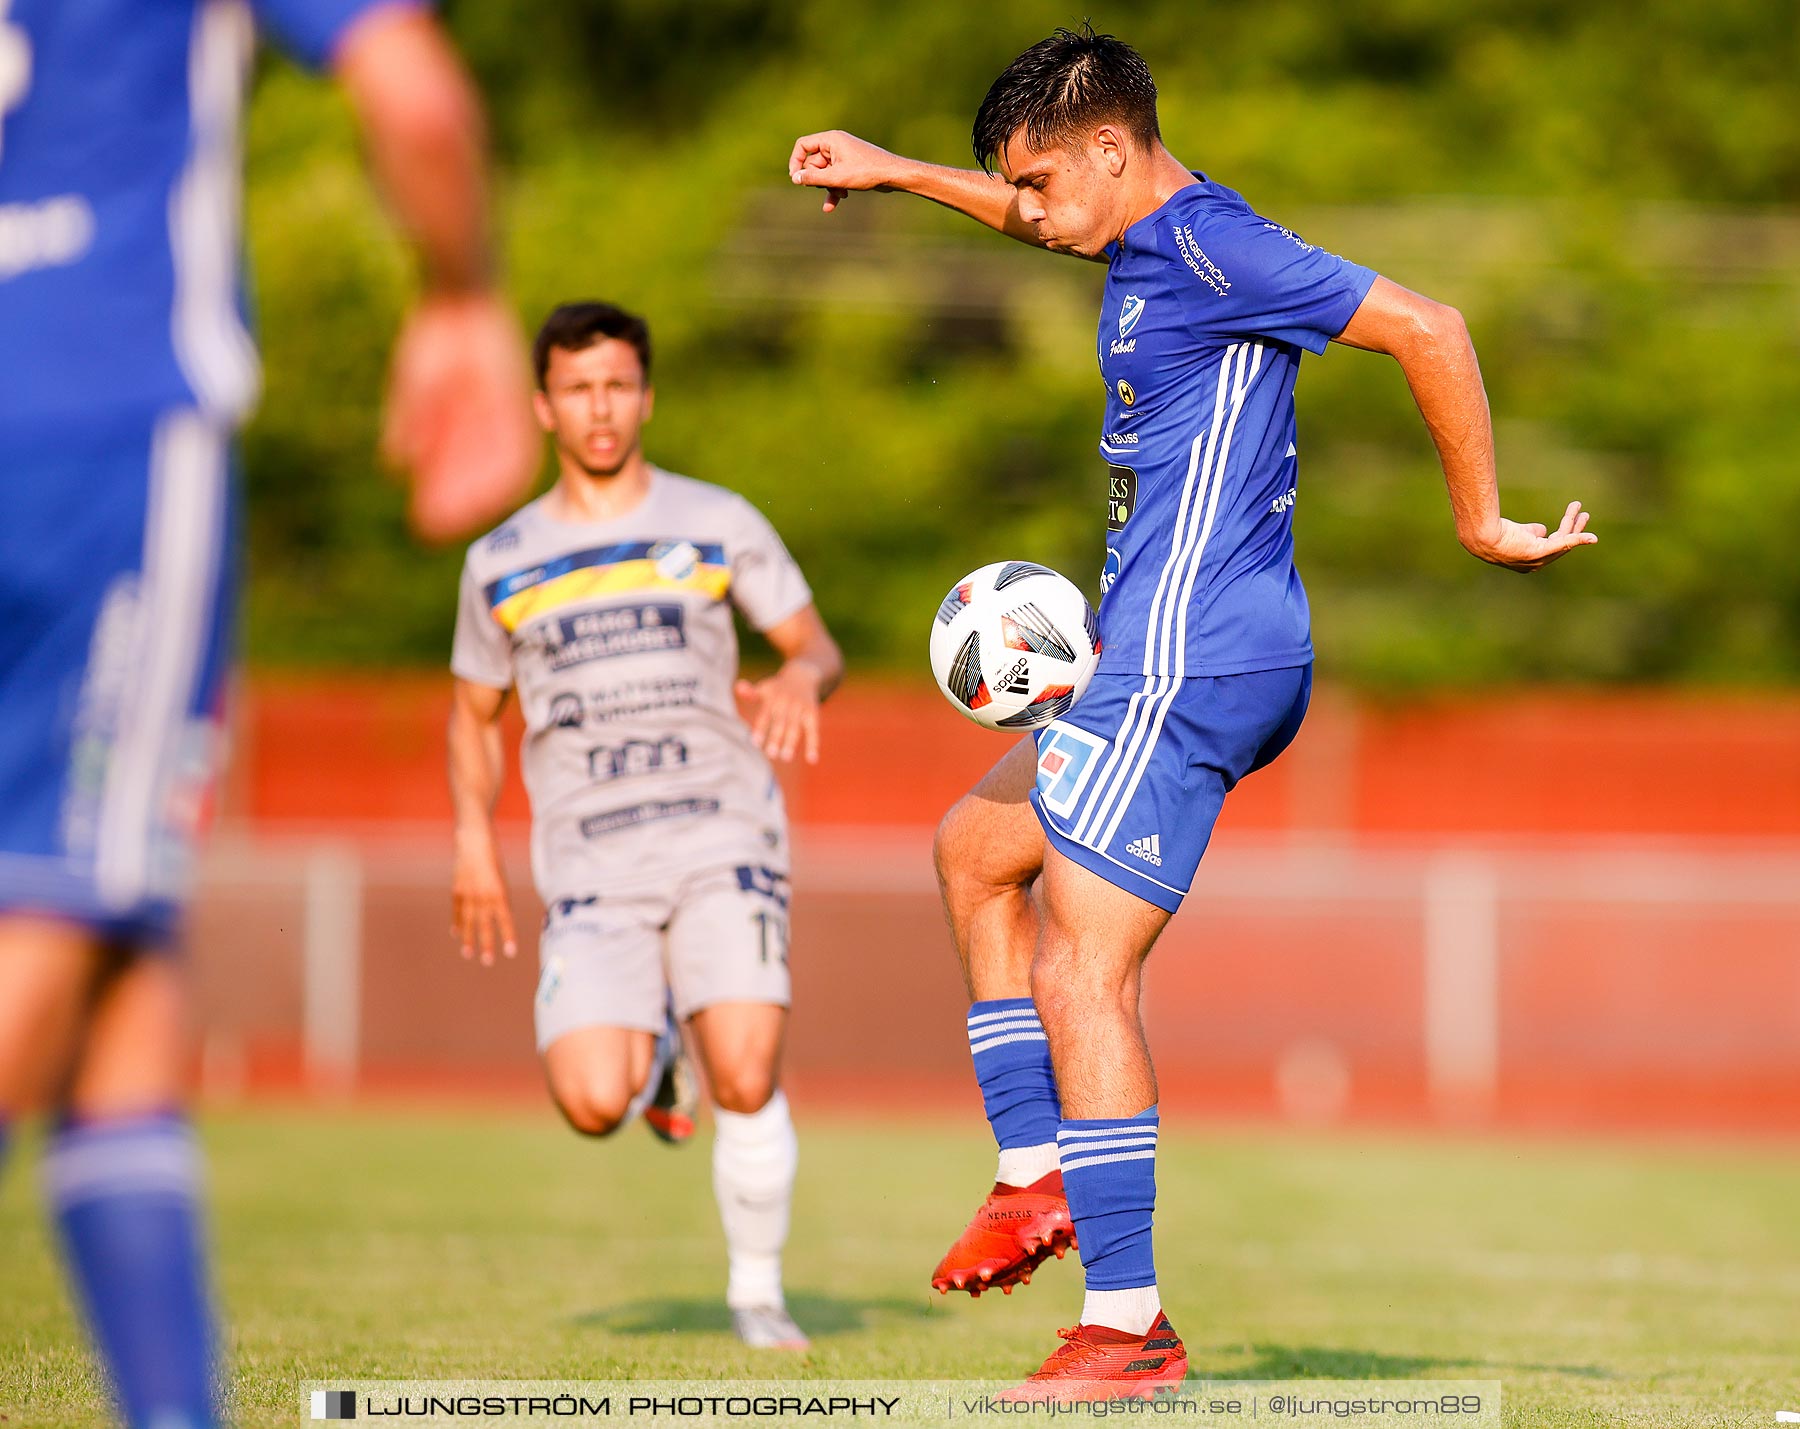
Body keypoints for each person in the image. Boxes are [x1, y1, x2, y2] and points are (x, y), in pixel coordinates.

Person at [789, 26, 1597, 1401]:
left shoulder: (1218, 247)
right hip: (1159, 653)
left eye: (1044, 184)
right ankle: (1034, 1173)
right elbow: (1024, 209)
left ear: (1113, 150)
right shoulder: (1132, 235)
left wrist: (1479, 522)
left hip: (1189, 656)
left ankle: (1126, 1324)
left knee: (1081, 971)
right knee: (974, 855)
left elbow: (1429, 326)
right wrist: (895, 174)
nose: (1033, 214)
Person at [0, 2, 537, 1424]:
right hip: (95, 433)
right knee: (62, 908)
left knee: (120, 945)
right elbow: (414, 98)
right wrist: (462, 296)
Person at [448, 300, 842, 1352]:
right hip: (592, 865)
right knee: (589, 1100)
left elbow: (817, 647)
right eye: (579, 388)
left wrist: (801, 679)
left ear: (647, 394)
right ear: (545, 406)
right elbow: (473, 714)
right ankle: (657, 1047)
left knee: (749, 1073)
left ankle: (758, 1292)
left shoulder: (717, 521)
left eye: (618, 384)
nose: (601, 407)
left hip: (724, 834)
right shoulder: (501, 560)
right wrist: (473, 839)